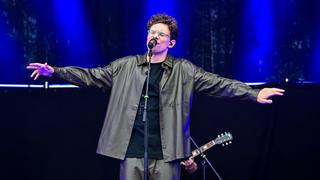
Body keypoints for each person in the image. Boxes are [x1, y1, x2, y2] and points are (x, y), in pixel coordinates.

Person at [27, 13, 284, 180]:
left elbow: (219, 84)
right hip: (131, 152)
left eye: (161, 33)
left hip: (167, 153)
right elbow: (91, 75)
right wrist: (56, 71)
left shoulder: (184, 69)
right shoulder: (126, 65)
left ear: (171, 42)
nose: (155, 35)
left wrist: (253, 93)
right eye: (152, 31)